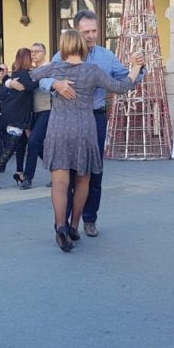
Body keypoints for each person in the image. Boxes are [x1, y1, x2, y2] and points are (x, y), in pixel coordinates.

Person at [30, 29, 142, 252]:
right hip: (84, 129)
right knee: (83, 181)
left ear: (63, 46)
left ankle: (60, 228)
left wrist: (53, 81)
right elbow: (121, 87)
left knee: (60, 183)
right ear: (82, 46)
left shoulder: (54, 67)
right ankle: (74, 227)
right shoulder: (92, 71)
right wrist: (136, 67)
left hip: (59, 128)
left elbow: (31, 77)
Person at [0, 48, 36, 189]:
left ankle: (19, 172)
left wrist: (7, 81)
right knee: (11, 147)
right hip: (17, 117)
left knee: (21, 144)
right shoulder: (25, 75)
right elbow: (31, 86)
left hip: (15, 115)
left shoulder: (16, 74)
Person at [21, 42, 51, 189]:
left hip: (47, 110)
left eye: (37, 51)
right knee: (37, 145)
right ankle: (56, 171)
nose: (33, 54)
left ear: (44, 53)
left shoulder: (49, 68)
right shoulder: (31, 71)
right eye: (32, 52)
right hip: (34, 111)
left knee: (33, 141)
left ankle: (28, 177)